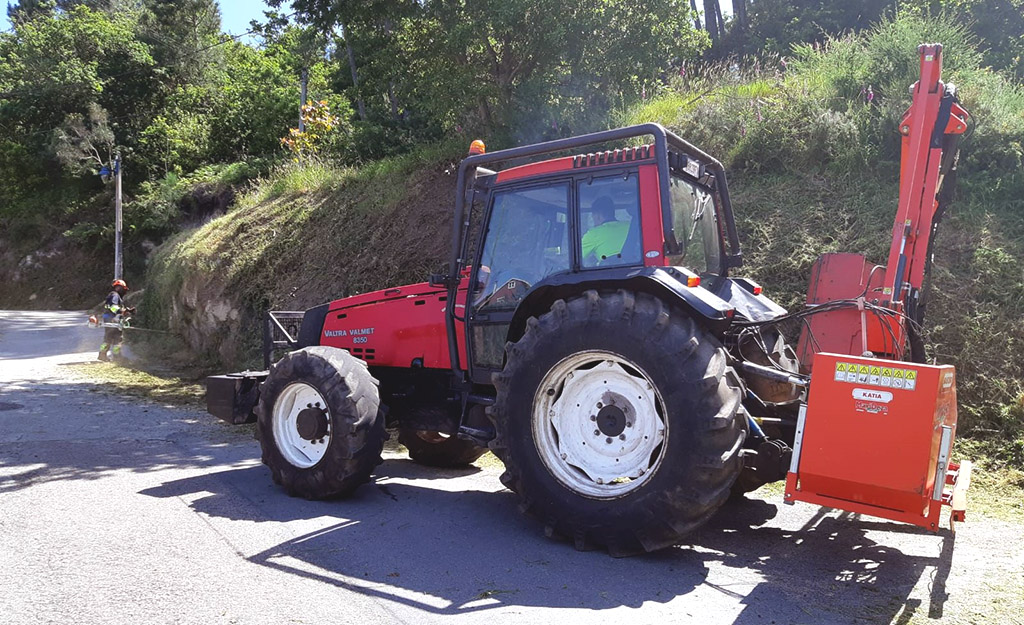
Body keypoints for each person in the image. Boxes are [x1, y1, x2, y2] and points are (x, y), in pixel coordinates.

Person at [581, 196, 629, 265]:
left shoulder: (593, 234)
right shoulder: (630, 226)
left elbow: (576, 256)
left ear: (598, 216)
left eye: (593, 216)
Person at [98, 279, 134, 361]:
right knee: (117, 338)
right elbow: (113, 307)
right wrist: (122, 311)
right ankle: (117, 356)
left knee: (108, 338)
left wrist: (127, 311)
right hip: (112, 319)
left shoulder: (114, 296)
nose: (124, 291)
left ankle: (102, 354)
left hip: (110, 318)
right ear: (118, 287)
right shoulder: (115, 295)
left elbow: (115, 308)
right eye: (123, 289)